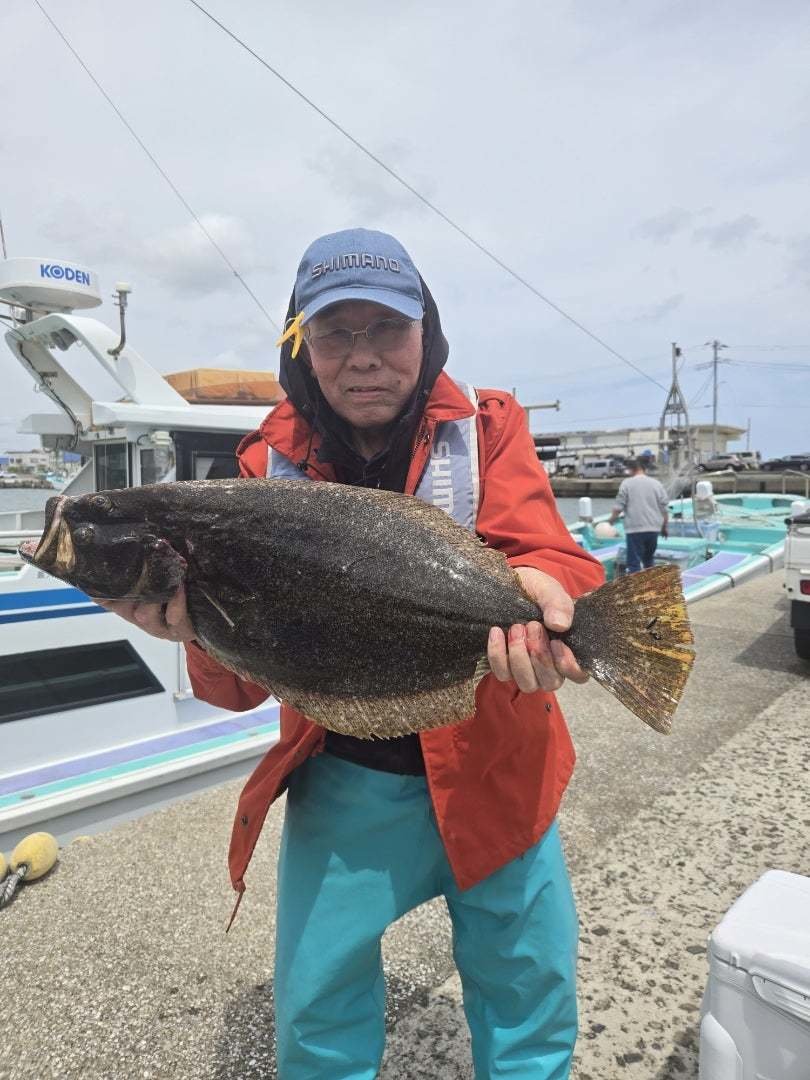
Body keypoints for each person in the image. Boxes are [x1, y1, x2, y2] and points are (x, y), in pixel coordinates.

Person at [98, 228, 604, 1079]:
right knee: (318, 1010)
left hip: (499, 761)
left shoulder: (487, 429)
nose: (363, 356)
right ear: (301, 344)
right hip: (343, 778)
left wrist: (554, 594)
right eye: (336, 332)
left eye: (388, 329)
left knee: (529, 992)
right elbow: (236, 691)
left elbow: (554, 557)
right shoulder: (261, 470)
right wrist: (194, 632)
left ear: (426, 333)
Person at [609, 457, 669, 572]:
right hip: (653, 529)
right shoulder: (656, 484)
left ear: (631, 470)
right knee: (649, 560)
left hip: (635, 529)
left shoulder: (627, 484)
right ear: (644, 469)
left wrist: (610, 521)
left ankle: (637, 583)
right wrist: (664, 527)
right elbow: (664, 508)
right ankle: (650, 582)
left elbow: (618, 507)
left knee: (634, 564)